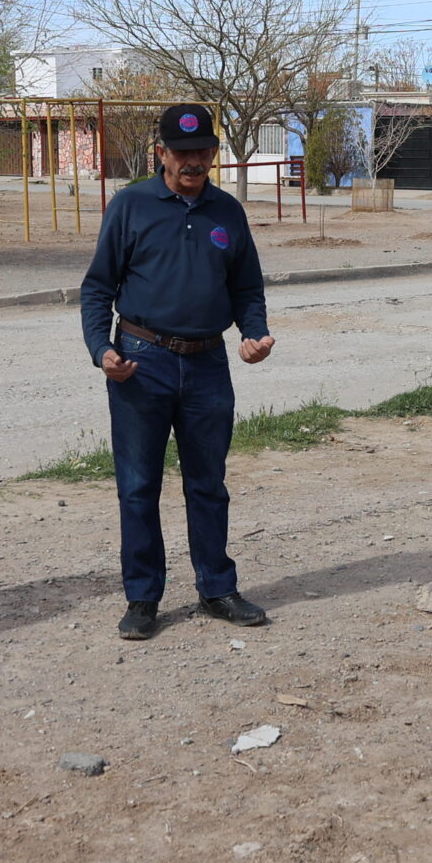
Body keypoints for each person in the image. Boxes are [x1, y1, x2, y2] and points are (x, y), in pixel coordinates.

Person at [79, 103, 274, 641]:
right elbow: (98, 289)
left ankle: (217, 589)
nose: (193, 162)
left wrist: (254, 333)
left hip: (208, 365)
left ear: (213, 153)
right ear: (161, 153)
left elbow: (246, 288)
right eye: (182, 152)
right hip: (142, 364)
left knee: (208, 484)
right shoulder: (130, 206)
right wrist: (101, 350)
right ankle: (143, 598)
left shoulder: (227, 212)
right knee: (138, 486)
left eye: (203, 151)